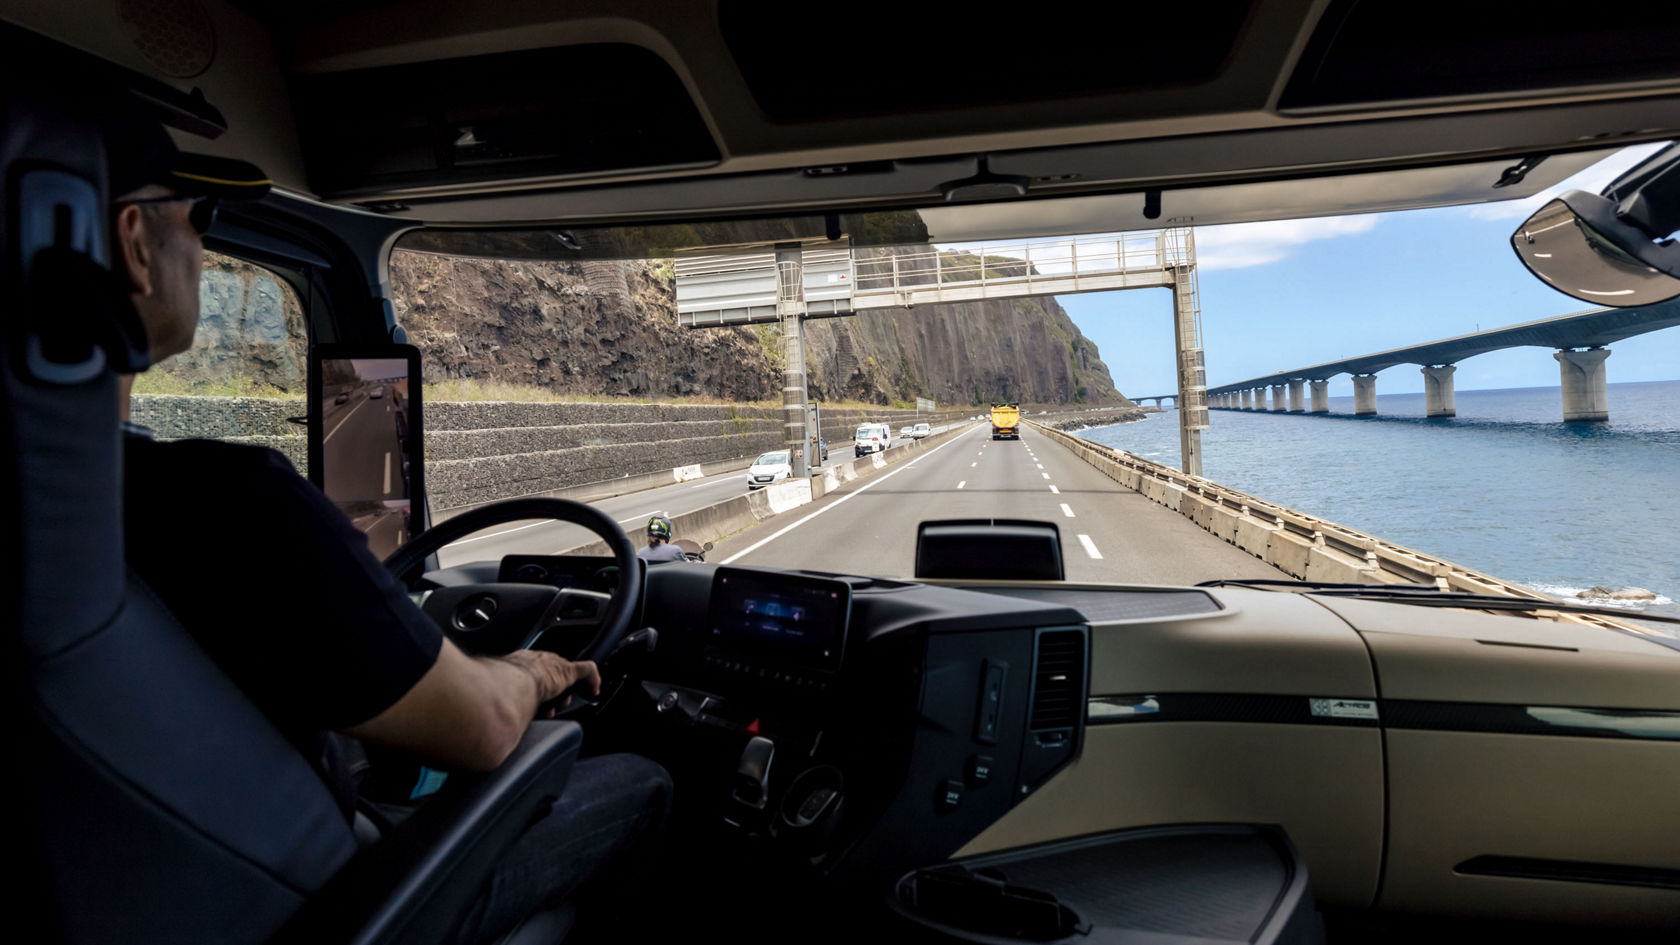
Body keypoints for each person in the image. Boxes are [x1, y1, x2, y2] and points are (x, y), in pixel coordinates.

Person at [100, 93, 669, 944]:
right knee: (643, 779)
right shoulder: (227, 501)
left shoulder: (73, 514)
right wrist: (535, 673)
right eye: (201, 214)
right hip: (339, 898)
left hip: (167, 892)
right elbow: (479, 728)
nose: (206, 241)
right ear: (135, 245)